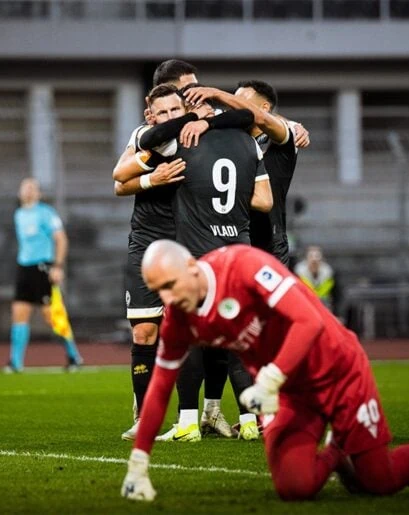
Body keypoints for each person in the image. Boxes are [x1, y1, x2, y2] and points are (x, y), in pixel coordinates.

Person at [120, 239, 409, 502]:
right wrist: (139, 462)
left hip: (338, 372)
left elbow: (309, 323)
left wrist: (268, 378)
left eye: (170, 285)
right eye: (158, 291)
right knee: (294, 487)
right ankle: (340, 449)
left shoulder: (244, 266)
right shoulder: (178, 318)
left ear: (191, 266)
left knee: (380, 481)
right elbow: (159, 388)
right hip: (290, 393)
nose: (167, 299)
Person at [113, 77, 254, 441]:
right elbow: (118, 180)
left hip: (188, 242)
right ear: (150, 112)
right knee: (146, 331)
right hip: (148, 242)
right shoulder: (149, 137)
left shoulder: (196, 135)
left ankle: (204, 414)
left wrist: (206, 121)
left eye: (178, 108)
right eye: (164, 110)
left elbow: (244, 118)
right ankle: (146, 418)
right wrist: (152, 180)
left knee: (202, 333)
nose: (172, 114)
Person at [183, 79, 300, 266]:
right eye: (231, 101)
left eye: (239, 101)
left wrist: (217, 93)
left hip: (269, 244)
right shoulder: (232, 140)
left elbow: (262, 119)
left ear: (265, 107)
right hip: (232, 240)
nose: (232, 106)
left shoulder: (282, 137)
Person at [5, 178, 83, 373]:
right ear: (19, 193)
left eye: (33, 188)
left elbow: (61, 239)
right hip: (24, 268)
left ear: (39, 193)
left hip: (43, 267)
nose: (29, 191)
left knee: (52, 315)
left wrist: (57, 266)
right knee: (19, 313)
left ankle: (74, 355)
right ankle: (15, 363)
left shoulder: (46, 213)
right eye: (25, 188)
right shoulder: (19, 214)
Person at [295, 245, 340, 315]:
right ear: (306, 259)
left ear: (322, 259)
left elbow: (336, 296)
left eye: (317, 256)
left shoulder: (329, 275)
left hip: (325, 309)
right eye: (311, 256)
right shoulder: (298, 276)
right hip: (305, 310)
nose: (314, 260)